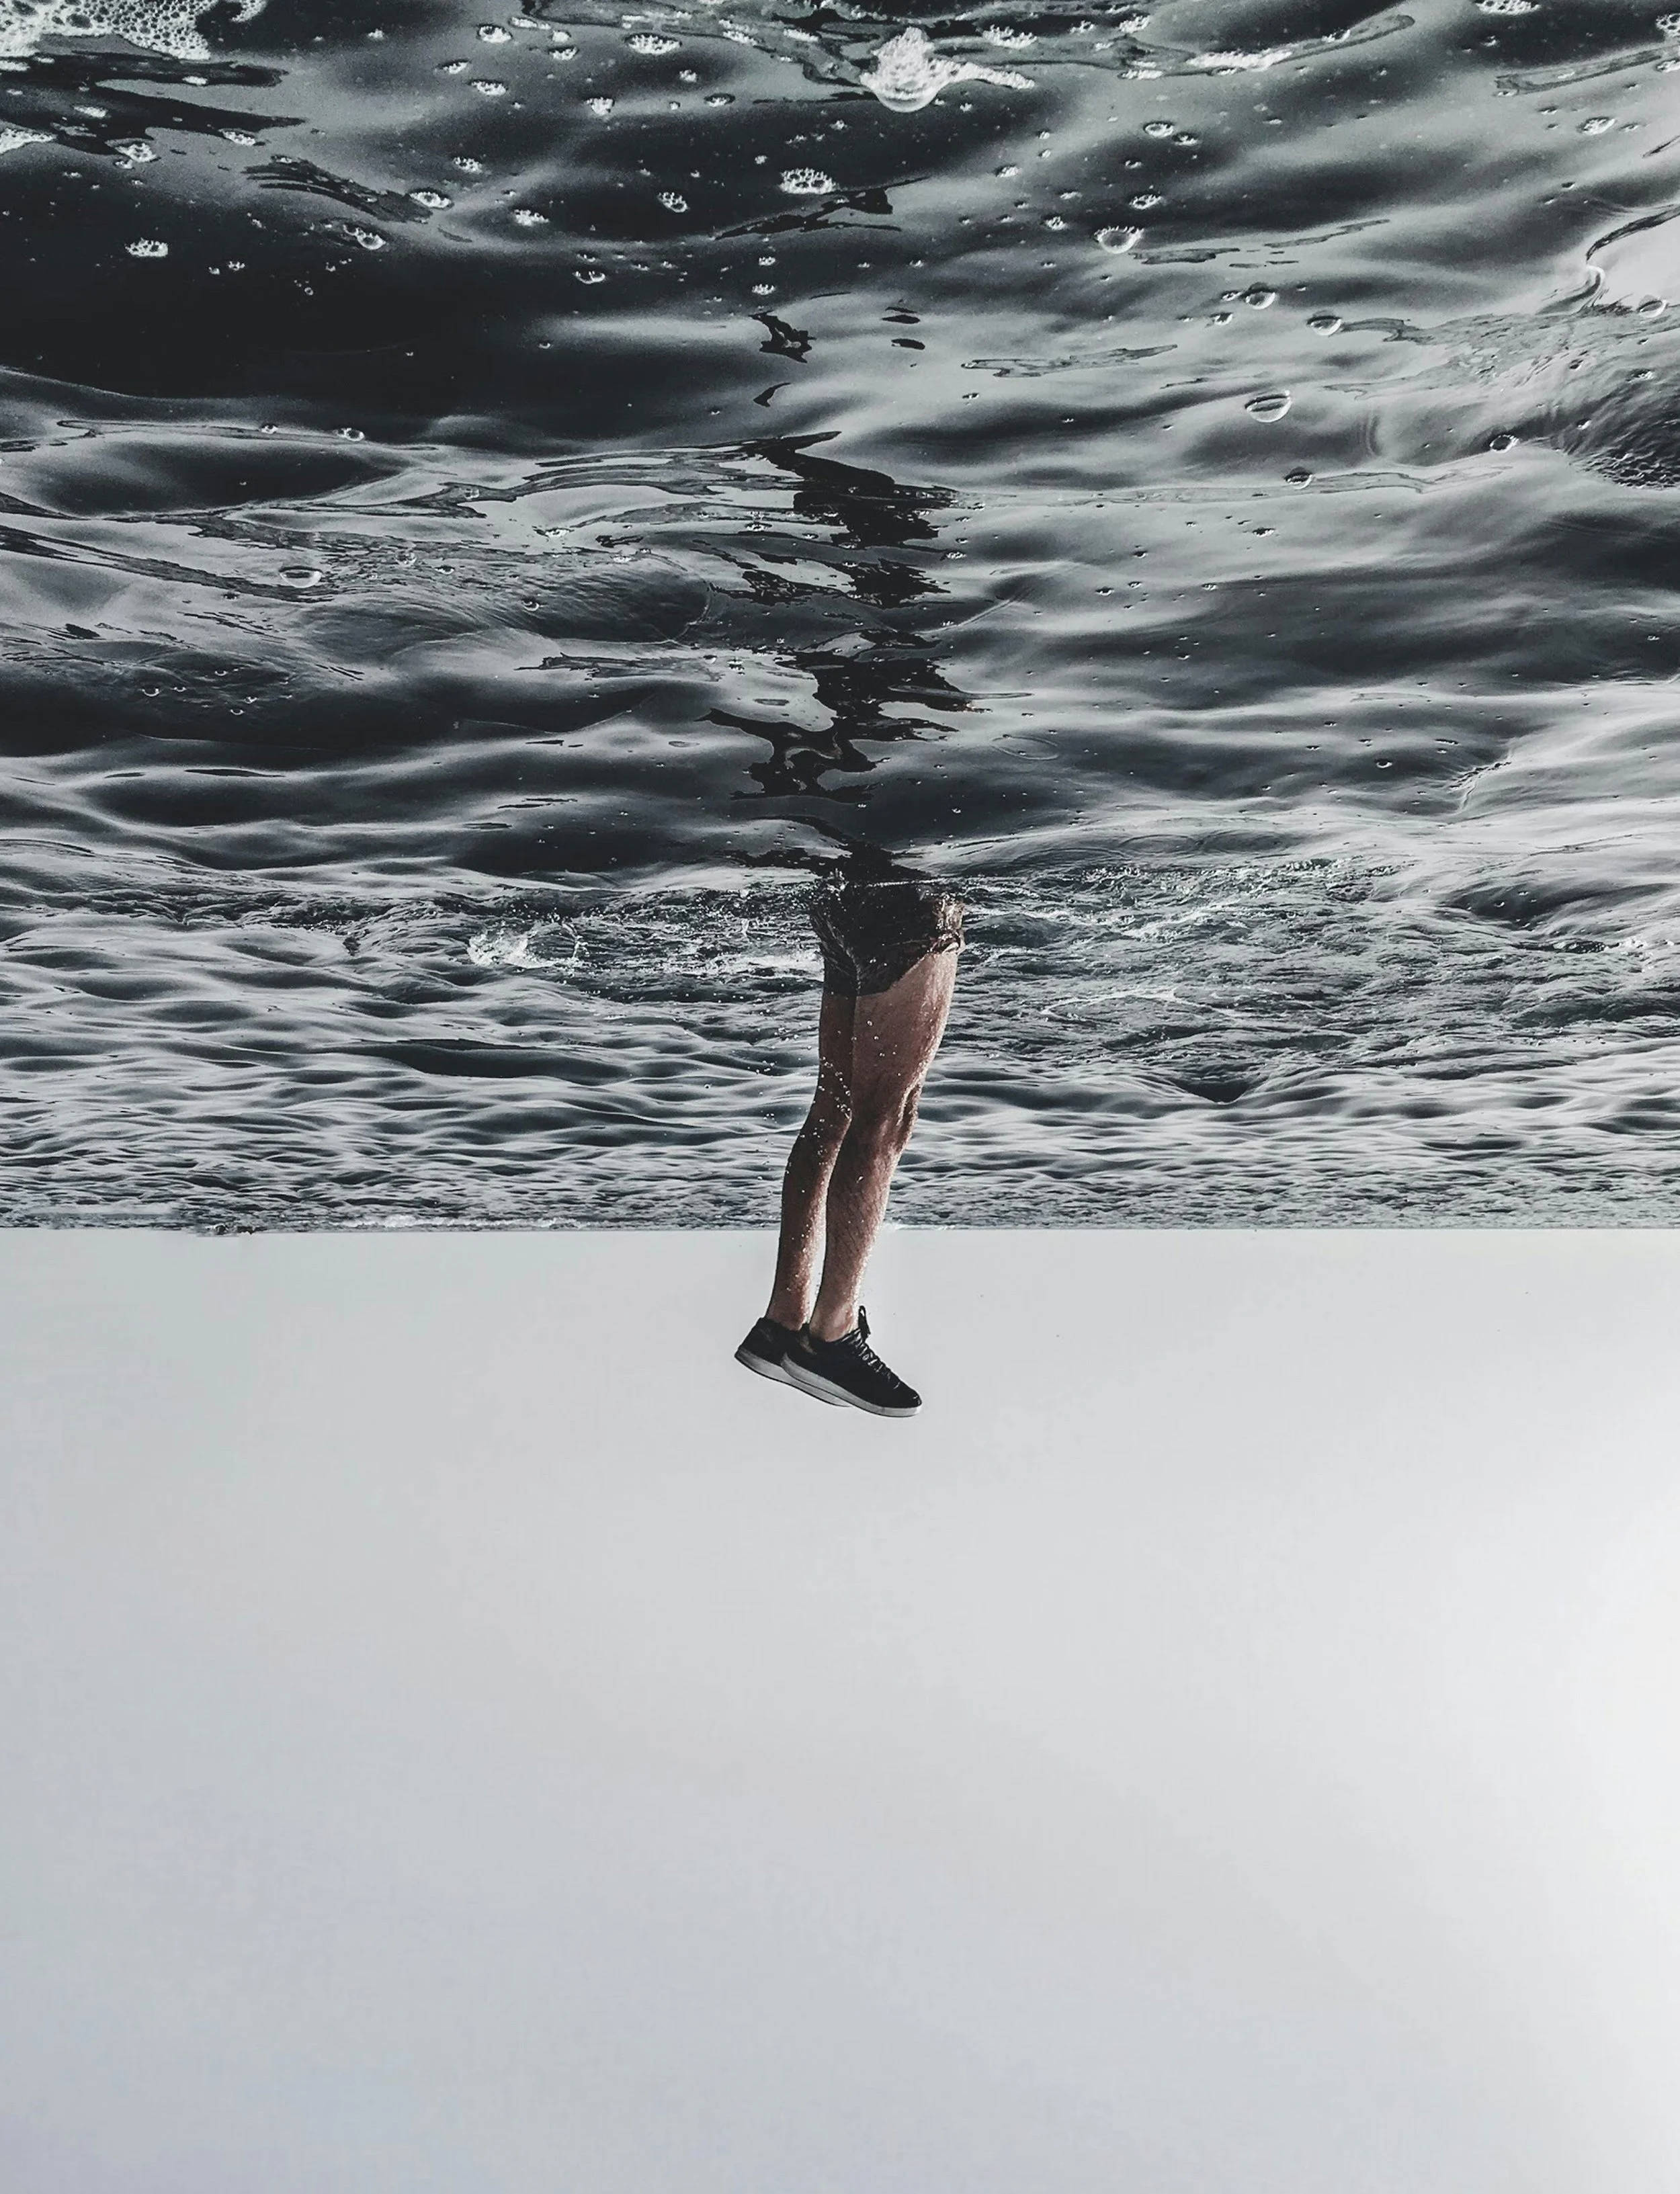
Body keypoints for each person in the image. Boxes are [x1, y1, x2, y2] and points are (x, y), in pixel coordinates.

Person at [736, 871, 963, 1419]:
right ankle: (832, 1333)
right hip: (910, 910)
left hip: (845, 907)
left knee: (835, 1110)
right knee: (886, 1117)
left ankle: (784, 1319)